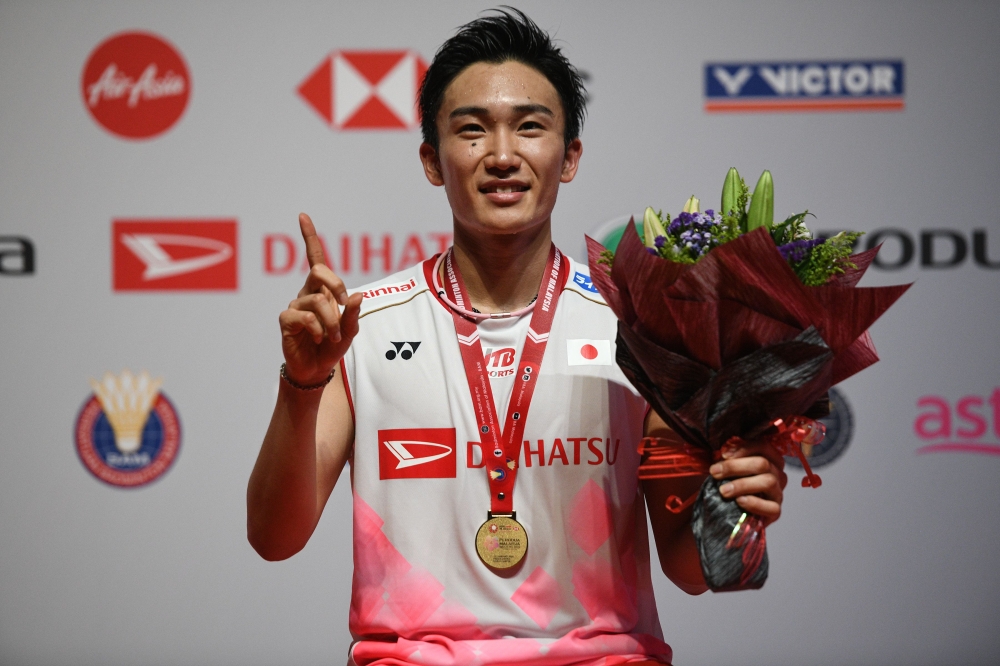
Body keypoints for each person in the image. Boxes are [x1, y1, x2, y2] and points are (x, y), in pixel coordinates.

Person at [247, 9, 787, 665]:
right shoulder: (361, 326)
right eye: (471, 131)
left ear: (570, 157)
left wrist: (735, 504)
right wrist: (302, 383)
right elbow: (273, 539)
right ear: (431, 160)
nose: (502, 155)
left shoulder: (643, 327)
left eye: (530, 127)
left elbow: (689, 567)